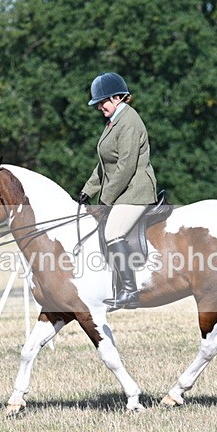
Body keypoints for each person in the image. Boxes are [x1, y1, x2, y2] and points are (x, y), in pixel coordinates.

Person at [78, 72, 158, 310]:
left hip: (136, 190)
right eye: (98, 103)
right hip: (123, 190)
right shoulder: (114, 122)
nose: (99, 107)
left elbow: (125, 167)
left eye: (103, 102)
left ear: (118, 98)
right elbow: (105, 164)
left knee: (113, 231)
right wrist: (87, 190)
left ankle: (130, 292)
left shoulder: (130, 121)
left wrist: (104, 200)